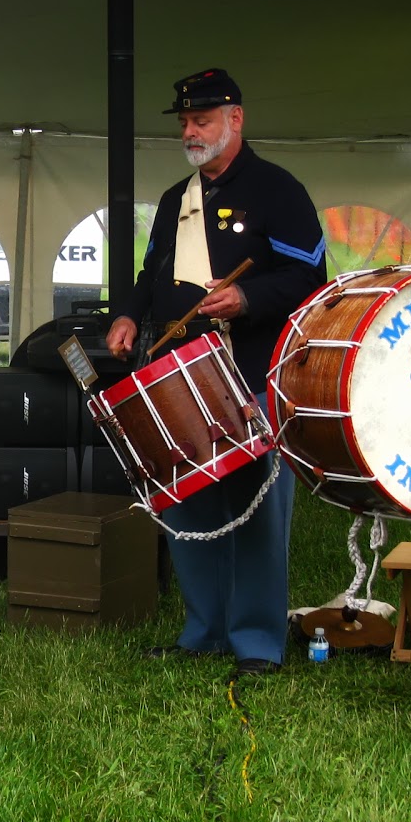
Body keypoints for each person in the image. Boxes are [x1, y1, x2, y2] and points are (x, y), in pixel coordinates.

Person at [105, 68, 327, 675]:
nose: (190, 131)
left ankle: (256, 642)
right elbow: (152, 272)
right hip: (181, 377)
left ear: (236, 119)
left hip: (253, 371)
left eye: (202, 119)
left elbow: (310, 279)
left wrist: (247, 299)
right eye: (184, 121)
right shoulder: (179, 199)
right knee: (188, 507)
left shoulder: (279, 191)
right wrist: (128, 314)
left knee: (255, 509)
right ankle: (202, 631)